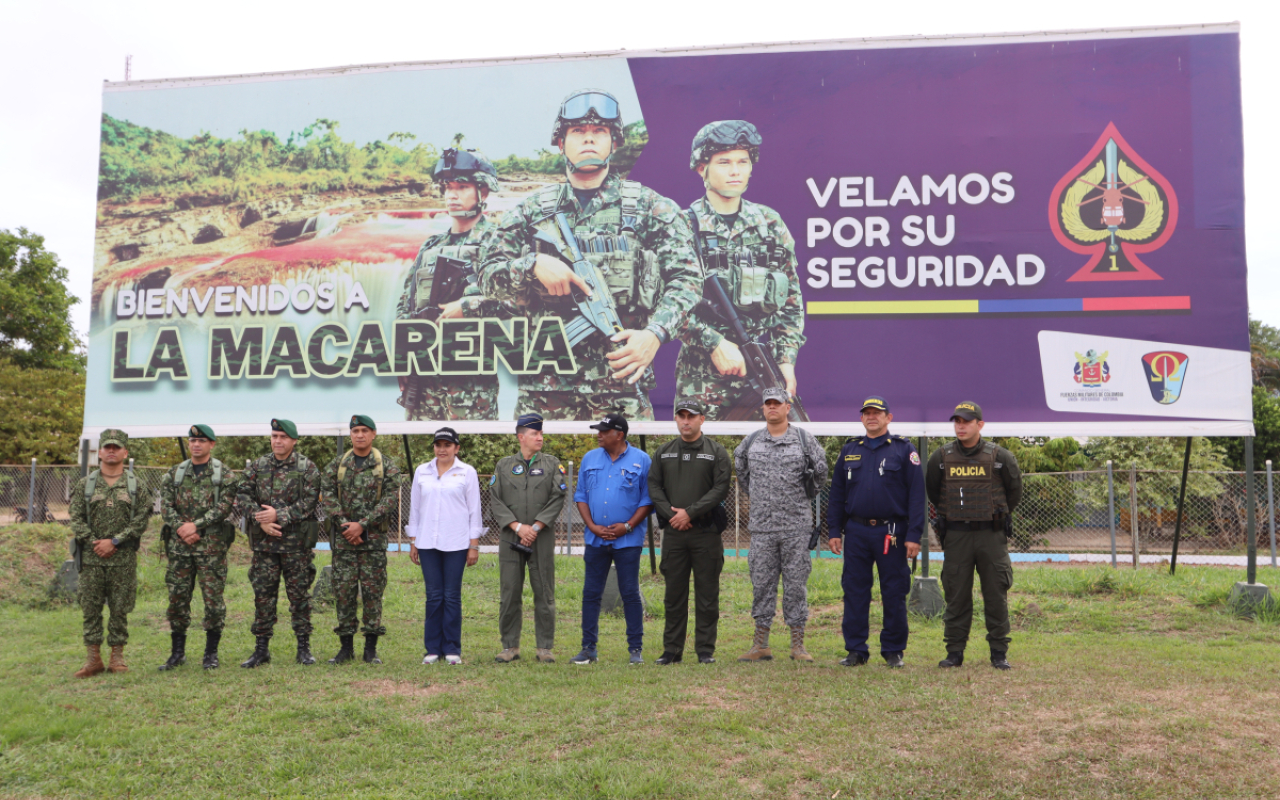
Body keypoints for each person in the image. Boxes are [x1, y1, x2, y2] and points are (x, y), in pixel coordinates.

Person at [479, 88, 702, 420]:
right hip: (544, 389)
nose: (589, 140)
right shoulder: (531, 210)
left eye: (599, 132)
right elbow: (486, 275)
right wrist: (532, 264)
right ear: (560, 143)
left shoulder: (649, 207)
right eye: (578, 132)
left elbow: (688, 280)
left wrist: (654, 334)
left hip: (622, 385)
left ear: (614, 142)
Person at [674, 120, 806, 419]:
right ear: (701, 168)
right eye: (723, 162)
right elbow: (664, 306)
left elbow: (791, 303)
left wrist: (786, 361)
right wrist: (714, 343)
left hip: (762, 367)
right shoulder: (681, 226)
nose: (735, 171)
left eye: (742, 162)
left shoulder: (770, 223)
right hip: (702, 378)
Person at [395, 147, 508, 420]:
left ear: (484, 192)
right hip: (423, 378)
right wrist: (403, 356)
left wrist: (467, 307)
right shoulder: (432, 245)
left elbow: (516, 303)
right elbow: (406, 303)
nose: (452, 195)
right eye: (448, 187)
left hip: (470, 383)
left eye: (462, 187)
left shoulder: (500, 242)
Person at [827, 397, 926, 668]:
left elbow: (917, 497)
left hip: (892, 532)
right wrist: (834, 530)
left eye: (877, 413)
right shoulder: (849, 450)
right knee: (854, 591)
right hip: (856, 531)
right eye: (867, 413)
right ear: (862, 418)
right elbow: (836, 494)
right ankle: (856, 650)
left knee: (894, 590)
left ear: (888, 418)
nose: (872, 417)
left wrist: (914, 535)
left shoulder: (904, 451)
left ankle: (893, 650)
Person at [925, 401, 1023, 670]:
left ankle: (998, 652)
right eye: (957, 421)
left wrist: (994, 515)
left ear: (980, 425)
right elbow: (934, 492)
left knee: (995, 594)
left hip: (991, 536)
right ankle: (954, 652)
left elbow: (1013, 492)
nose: (960, 426)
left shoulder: (1001, 457)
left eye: (966, 421)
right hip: (957, 536)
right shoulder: (940, 457)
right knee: (956, 594)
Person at [733, 389, 827, 662]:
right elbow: (742, 473)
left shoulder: (804, 440)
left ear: (788, 407)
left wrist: (802, 498)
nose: (772, 408)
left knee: (796, 585)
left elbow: (820, 472)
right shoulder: (750, 442)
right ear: (763, 409)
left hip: (796, 527)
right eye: (768, 404)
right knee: (761, 584)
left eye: (777, 403)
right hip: (762, 529)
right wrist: (762, 500)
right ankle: (760, 644)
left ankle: (798, 645)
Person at [234, 418, 322, 668]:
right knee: (263, 597)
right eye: (274, 436)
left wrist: (278, 515)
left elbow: (310, 502)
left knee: (299, 597)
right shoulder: (259, 465)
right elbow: (242, 495)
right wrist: (260, 519)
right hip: (264, 547)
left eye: (283, 437)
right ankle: (261, 649)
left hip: (296, 546)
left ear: (293, 440)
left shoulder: (307, 467)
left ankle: (303, 648)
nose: (278, 441)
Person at [648, 400, 731, 664]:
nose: (686, 421)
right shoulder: (664, 452)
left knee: (707, 596)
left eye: (691, 416)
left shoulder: (716, 452)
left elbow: (720, 488)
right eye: (681, 416)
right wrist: (674, 516)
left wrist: (690, 512)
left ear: (701, 419)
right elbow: (654, 486)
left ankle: (705, 650)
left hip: (705, 533)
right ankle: (671, 650)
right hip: (674, 534)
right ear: (676, 419)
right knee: (674, 596)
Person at [321, 414, 403, 666]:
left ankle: (370, 649)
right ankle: (345, 648)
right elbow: (327, 495)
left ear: (373, 434)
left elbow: (390, 499)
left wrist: (363, 525)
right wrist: (347, 526)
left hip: (373, 543)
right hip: (345, 542)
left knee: (372, 593)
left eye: (365, 430)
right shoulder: (337, 465)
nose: (360, 435)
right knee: (343, 593)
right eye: (355, 430)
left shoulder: (387, 466)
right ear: (350, 434)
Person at [69, 429, 150, 677]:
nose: (111, 451)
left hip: (123, 560)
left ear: (125, 452)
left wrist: (114, 541)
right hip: (92, 560)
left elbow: (141, 520)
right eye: (107, 447)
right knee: (90, 609)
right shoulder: (85, 484)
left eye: (116, 447)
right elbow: (76, 518)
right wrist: (96, 542)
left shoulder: (136, 485)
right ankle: (93, 659)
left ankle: (117, 658)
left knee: (120, 609)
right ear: (100, 452)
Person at [158, 424, 240, 671]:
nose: (196, 445)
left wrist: (195, 526)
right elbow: (166, 507)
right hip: (180, 548)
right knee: (177, 599)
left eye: (202, 441)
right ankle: (177, 653)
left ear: (212, 444)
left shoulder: (224, 475)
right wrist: (183, 528)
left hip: (211, 549)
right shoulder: (174, 474)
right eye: (193, 441)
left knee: (213, 601)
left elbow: (223, 508)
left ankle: (210, 654)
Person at [572, 413, 652, 664]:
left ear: (619, 434)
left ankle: (635, 650)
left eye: (604, 431)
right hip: (595, 539)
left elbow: (647, 501)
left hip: (627, 541)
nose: (599, 434)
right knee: (591, 593)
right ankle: (588, 649)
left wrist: (627, 526)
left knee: (630, 593)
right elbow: (581, 496)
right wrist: (593, 527)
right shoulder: (589, 458)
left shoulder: (642, 460)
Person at [489, 413, 567, 663]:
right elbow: (495, 499)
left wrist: (535, 527)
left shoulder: (552, 464)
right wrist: (517, 526)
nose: (540, 437)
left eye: (541, 433)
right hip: (510, 538)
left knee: (544, 590)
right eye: (535, 434)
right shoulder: (503, 465)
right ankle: (509, 646)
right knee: (510, 591)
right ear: (521, 437)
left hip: (540, 538)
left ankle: (544, 647)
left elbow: (558, 497)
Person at [408, 427, 482, 665]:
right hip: (428, 542)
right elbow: (415, 510)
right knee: (433, 596)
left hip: (457, 543)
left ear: (456, 448)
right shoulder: (422, 472)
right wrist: (413, 541)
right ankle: (432, 649)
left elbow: (474, 511)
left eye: (447, 445)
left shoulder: (467, 472)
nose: (442, 449)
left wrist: (474, 545)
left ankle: (451, 649)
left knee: (451, 596)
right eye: (438, 445)